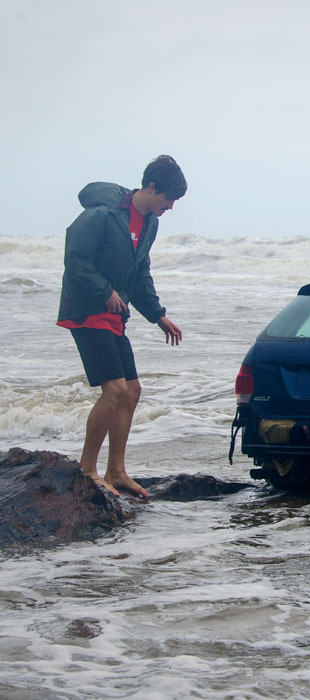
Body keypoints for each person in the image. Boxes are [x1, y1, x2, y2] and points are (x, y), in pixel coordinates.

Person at [57, 155, 187, 498]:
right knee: (114, 390)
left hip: (114, 314)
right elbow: (75, 258)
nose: (171, 207)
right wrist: (105, 291)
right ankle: (88, 470)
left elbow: (139, 272)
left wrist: (158, 315)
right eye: (169, 198)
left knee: (132, 390)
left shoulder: (149, 224)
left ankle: (116, 471)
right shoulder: (103, 214)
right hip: (87, 309)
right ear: (151, 187)